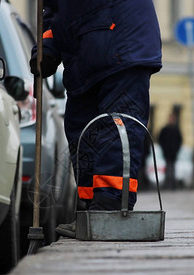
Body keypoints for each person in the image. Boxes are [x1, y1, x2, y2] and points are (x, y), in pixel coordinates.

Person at [29, 0, 162, 238]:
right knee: (82, 135)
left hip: (121, 40)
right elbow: (52, 11)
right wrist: (46, 48)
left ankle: (111, 210)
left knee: (115, 129)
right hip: (84, 52)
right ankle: (90, 212)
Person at [158, 114, 183, 190]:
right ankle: (168, 183)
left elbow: (180, 140)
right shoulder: (165, 129)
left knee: (172, 168)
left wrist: (176, 149)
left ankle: (171, 184)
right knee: (168, 167)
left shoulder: (176, 130)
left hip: (173, 153)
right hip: (167, 152)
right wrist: (164, 148)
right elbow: (160, 139)